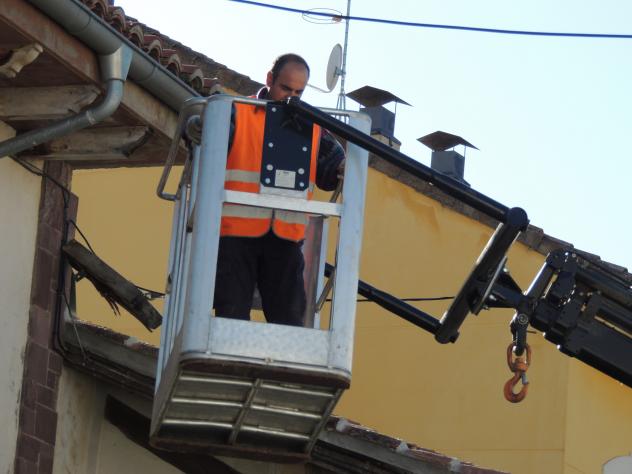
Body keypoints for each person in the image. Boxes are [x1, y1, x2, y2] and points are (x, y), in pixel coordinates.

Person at [213, 53, 345, 327]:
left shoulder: (311, 125)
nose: (291, 98)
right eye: (286, 88)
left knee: (289, 320)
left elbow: (332, 166)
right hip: (236, 234)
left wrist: (342, 168)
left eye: (298, 92)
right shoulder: (237, 112)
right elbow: (205, 145)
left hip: (285, 236)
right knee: (231, 317)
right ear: (270, 79)